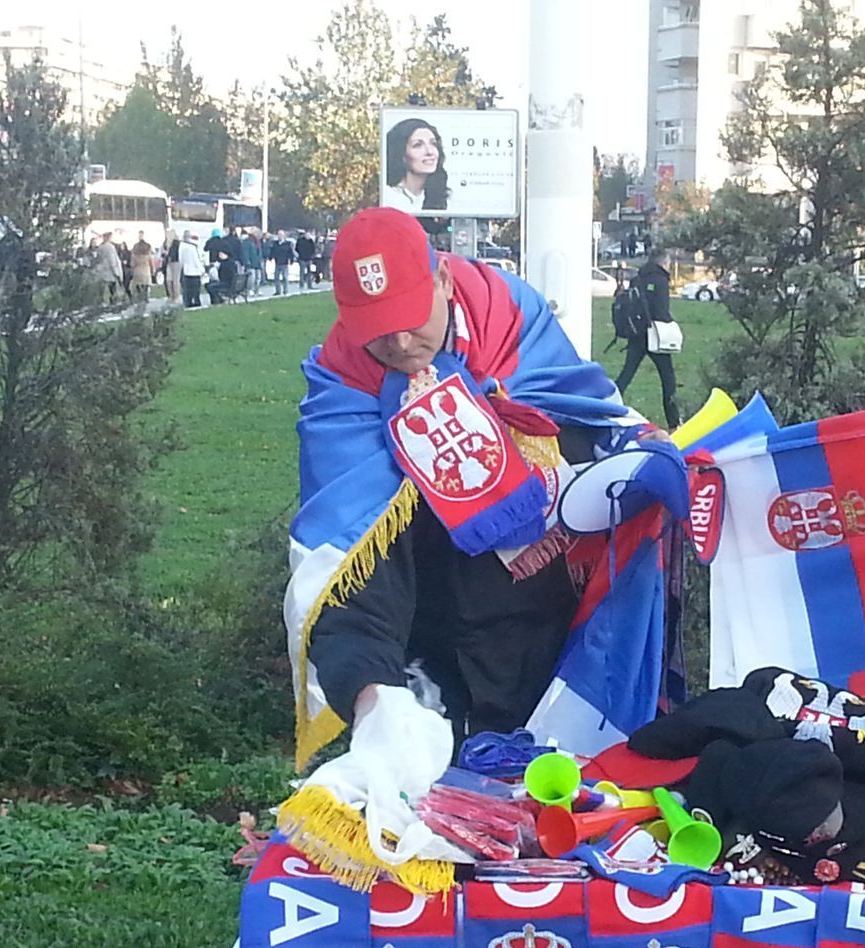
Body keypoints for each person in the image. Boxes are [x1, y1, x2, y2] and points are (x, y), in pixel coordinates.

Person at [287, 206, 689, 799]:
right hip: (445, 655)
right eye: (375, 328)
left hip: (562, 625)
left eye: (409, 317)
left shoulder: (512, 319)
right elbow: (344, 560)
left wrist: (643, 452)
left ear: (444, 281)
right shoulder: (342, 394)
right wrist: (374, 698)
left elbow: (585, 408)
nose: (399, 343)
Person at [611, 246, 681, 430]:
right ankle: (673, 422)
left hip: (636, 333)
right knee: (668, 378)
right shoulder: (661, 280)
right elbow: (661, 310)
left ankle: (609, 406)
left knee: (627, 373)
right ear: (664, 262)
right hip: (655, 335)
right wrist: (671, 324)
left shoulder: (638, 278)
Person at [381, 118, 448, 213]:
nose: (429, 152)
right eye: (418, 145)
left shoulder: (443, 196)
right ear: (402, 154)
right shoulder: (388, 197)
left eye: (433, 144)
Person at [176, 232, 206, 308]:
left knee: (187, 291)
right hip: (195, 272)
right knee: (196, 292)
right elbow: (196, 261)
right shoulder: (192, 247)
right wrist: (203, 270)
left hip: (186, 272)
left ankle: (188, 304)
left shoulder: (181, 246)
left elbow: (180, 259)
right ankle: (196, 303)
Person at [94, 233, 122, 304]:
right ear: (109, 238)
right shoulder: (110, 248)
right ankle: (112, 304)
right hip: (110, 273)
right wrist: (117, 273)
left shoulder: (100, 248)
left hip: (102, 273)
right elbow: (112, 260)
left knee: (103, 292)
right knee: (112, 292)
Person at [129, 235, 155, 306]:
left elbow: (132, 265)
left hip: (137, 272)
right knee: (146, 287)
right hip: (146, 272)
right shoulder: (148, 256)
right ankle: (145, 298)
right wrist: (153, 272)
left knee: (138, 287)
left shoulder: (134, 256)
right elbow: (151, 264)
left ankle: (140, 299)